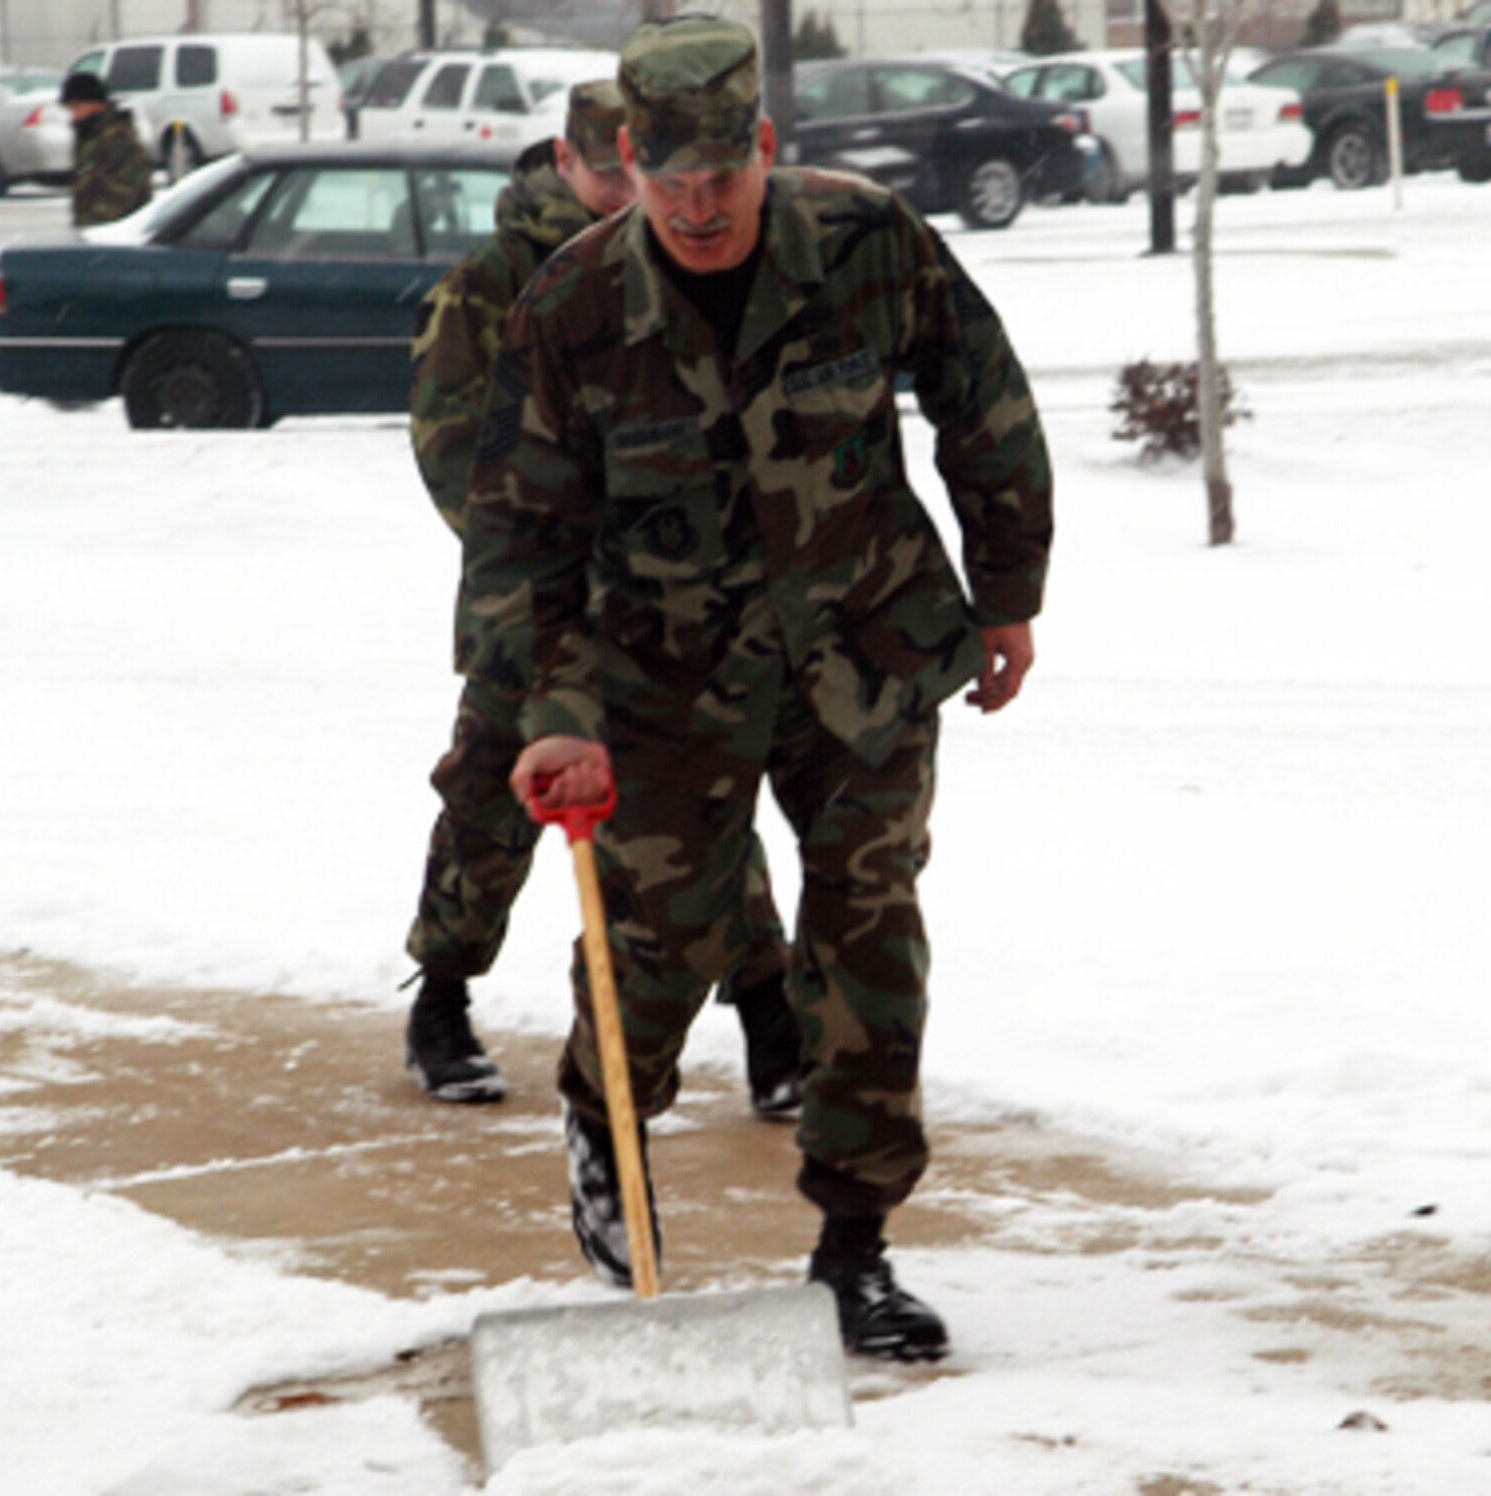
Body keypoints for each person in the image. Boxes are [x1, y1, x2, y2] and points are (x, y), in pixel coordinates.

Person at [466, 16, 1053, 1362]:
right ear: (628, 160)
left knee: (867, 936)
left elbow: (985, 398)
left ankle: (855, 1245)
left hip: (864, 650)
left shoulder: (865, 240)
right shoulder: (572, 304)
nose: (695, 209)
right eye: (666, 183)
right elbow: (521, 535)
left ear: (765, 151)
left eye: (719, 180)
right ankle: (609, 1134)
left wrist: (1008, 587)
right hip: (665, 679)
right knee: (658, 945)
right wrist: (553, 711)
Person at [402, 79, 805, 1117]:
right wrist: (556, 571)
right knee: (492, 793)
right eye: (608, 170)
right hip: (534, 607)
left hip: (670, 607)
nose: (631, 191)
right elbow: (456, 460)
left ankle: (770, 1014)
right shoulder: (486, 290)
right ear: (567, 160)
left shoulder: (674, 264)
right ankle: (441, 998)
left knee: (700, 811)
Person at [60, 73, 152, 227]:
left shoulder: (117, 138)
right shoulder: (90, 136)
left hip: (118, 232)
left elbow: (122, 193)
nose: (74, 116)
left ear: (95, 103)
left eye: (77, 107)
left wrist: (93, 227)